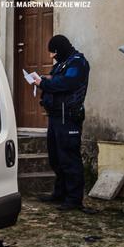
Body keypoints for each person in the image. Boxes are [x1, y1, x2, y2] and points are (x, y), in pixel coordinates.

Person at [33, 35, 90, 211]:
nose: (51, 57)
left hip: (69, 117)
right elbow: (55, 78)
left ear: (60, 50)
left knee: (69, 158)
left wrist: (44, 83)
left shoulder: (78, 63)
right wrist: (44, 79)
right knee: (56, 157)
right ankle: (60, 193)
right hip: (56, 116)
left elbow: (67, 82)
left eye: (53, 53)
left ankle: (74, 199)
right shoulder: (63, 62)